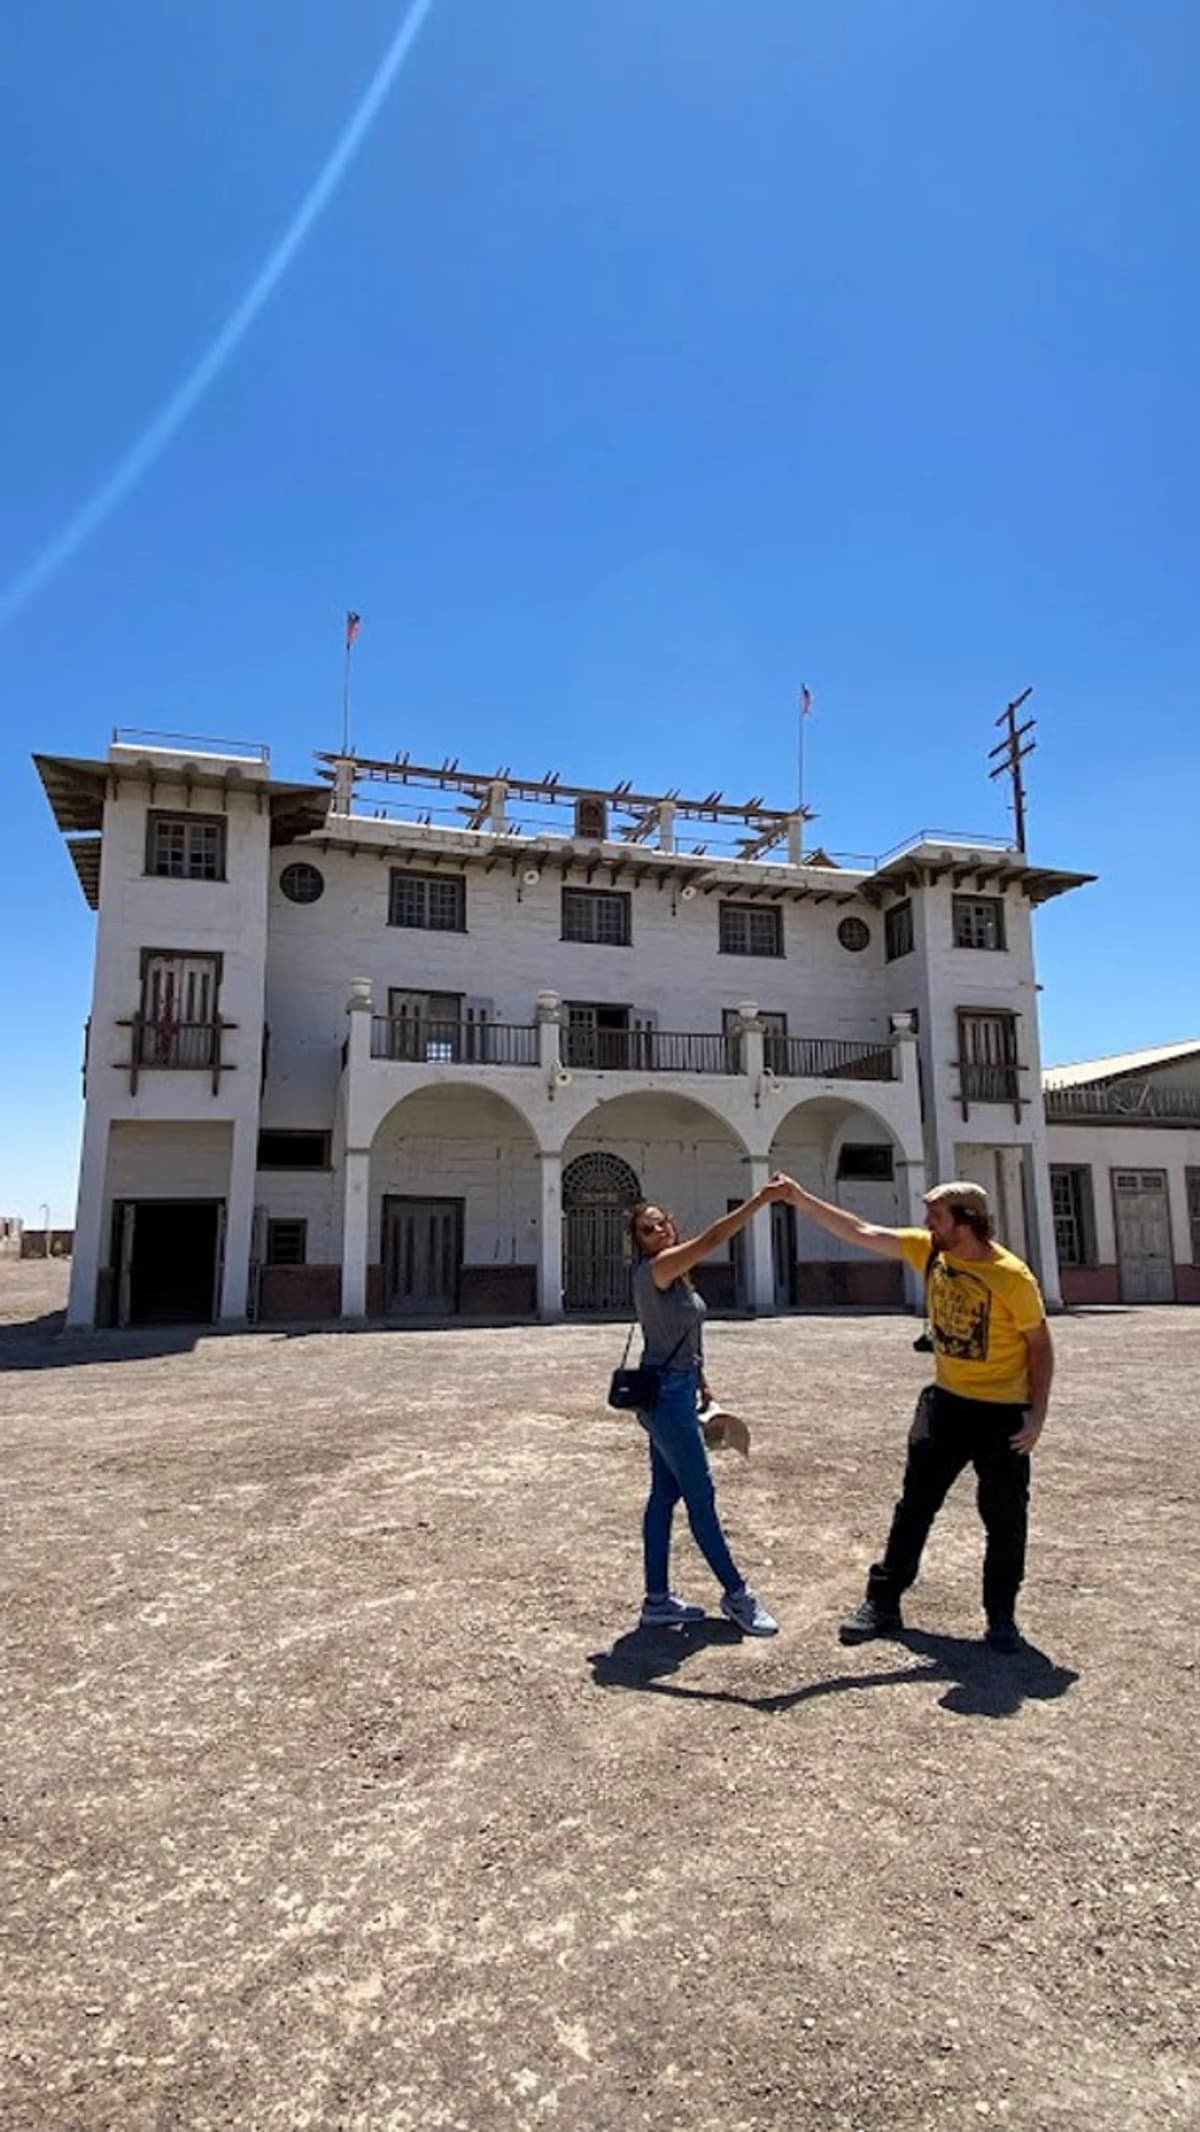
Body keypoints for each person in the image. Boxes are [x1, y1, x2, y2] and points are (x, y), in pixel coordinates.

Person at [781, 1176, 1054, 1653]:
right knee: (915, 1507)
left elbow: (1040, 1345)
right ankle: (883, 1602)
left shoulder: (1013, 1276)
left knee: (1005, 1518)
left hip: (1002, 1413)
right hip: (946, 1403)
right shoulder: (931, 1251)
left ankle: (1001, 1618)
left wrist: (1037, 1416)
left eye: (937, 1217)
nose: (928, 1225)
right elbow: (862, 1232)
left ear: (966, 1222)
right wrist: (799, 1199)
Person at [628, 1188, 787, 1636]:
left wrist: (702, 1382)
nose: (658, 1230)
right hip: (667, 1400)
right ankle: (737, 1595)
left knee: (663, 1497)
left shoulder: (675, 1276)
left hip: (673, 1390)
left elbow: (683, 1336)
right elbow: (713, 1239)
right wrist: (758, 1202)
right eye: (647, 1229)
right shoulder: (660, 1267)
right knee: (702, 1498)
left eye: (662, 1223)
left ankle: (657, 1601)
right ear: (639, 1241)